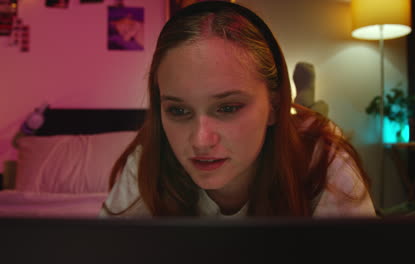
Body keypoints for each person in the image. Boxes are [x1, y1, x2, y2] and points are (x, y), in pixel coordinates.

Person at [99, 1, 376, 218]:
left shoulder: (320, 158)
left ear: (274, 105)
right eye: (179, 111)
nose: (200, 140)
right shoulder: (151, 158)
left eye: (228, 107)